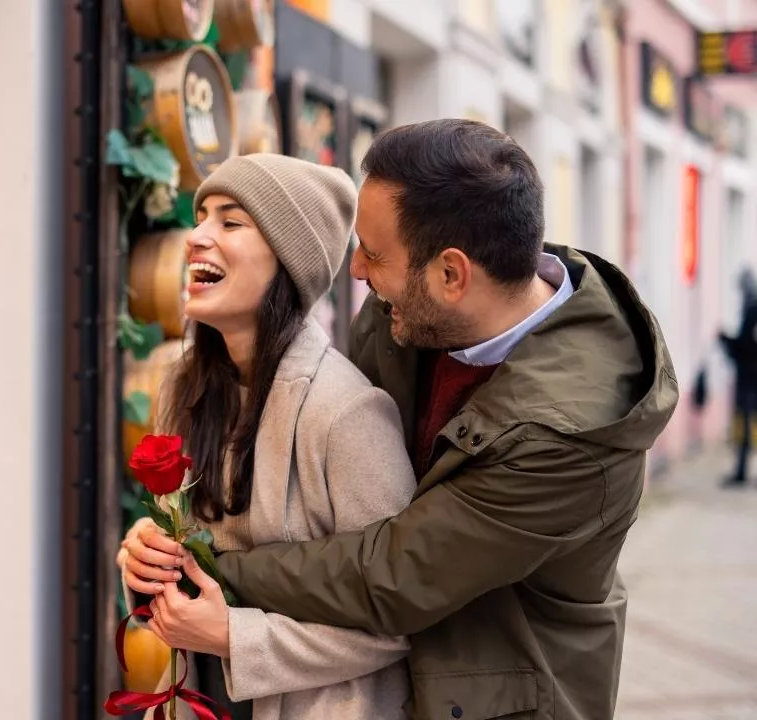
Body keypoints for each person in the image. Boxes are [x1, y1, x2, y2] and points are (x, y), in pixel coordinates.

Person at [122, 119, 679, 720]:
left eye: (374, 253)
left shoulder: (567, 434)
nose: (356, 269)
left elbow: (393, 574)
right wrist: (164, 550)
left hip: (507, 693)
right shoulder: (407, 314)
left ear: (451, 275)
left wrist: (202, 565)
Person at [116, 153, 416, 719]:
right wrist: (148, 554)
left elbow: (398, 620)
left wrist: (234, 636)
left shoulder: (348, 412)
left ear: (287, 261)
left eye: (230, 222)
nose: (196, 237)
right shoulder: (182, 389)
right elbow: (196, 554)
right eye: (201, 217)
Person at [720, 268, 757, 486]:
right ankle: (741, 471)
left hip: (750, 380)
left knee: (745, 425)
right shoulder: (750, 311)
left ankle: (742, 472)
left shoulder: (752, 312)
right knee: (744, 425)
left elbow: (747, 347)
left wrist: (727, 342)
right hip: (748, 379)